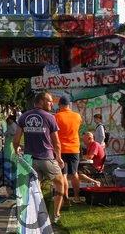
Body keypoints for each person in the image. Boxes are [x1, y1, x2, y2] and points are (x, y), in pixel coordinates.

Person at [13, 92, 65, 222]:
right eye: (49, 101)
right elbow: (56, 142)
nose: (52, 104)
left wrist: (16, 150)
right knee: (60, 183)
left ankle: (36, 214)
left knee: (35, 187)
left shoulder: (24, 116)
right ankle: (56, 214)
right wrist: (58, 158)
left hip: (30, 160)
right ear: (41, 101)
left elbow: (16, 139)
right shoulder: (50, 117)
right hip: (46, 158)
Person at [55, 95, 83, 203]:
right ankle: (77, 197)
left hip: (61, 149)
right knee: (74, 173)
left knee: (63, 175)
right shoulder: (77, 116)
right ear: (69, 105)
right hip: (74, 148)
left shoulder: (57, 116)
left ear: (60, 105)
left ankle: (65, 198)